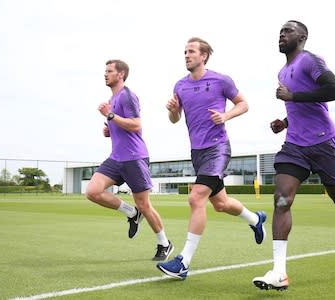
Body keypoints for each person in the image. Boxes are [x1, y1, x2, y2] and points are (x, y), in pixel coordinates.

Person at [252, 21, 335, 291]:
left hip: (324, 143)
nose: (281, 34)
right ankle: (279, 273)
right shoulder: (282, 70)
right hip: (295, 146)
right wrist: (285, 123)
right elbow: (300, 106)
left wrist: (293, 95)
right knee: (281, 200)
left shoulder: (310, 60)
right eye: (280, 31)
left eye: (287, 31)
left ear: (301, 37)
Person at [156, 37, 267, 280]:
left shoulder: (221, 80)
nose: (186, 55)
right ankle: (255, 219)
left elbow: (244, 104)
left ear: (204, 56)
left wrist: (225, 116)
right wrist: (173, 112)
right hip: (197, 152)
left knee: (196, 198)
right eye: (185, 52)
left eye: (191, 51)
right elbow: (175, 120)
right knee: (221, 204)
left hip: (218, 148)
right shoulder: (180, 86)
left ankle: (183, 261)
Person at [86, 59, 174, 261]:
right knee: (92, 191)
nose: (105, 74)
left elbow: (136, 125)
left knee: (144, 204)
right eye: (105, 71)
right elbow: (120, 124)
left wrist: (110, 115)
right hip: (116, 157)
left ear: (121, 75)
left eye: (109, 71)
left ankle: (164, 243)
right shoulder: (113, 99)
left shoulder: (127, 96)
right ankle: (131, 213)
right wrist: (110, 129)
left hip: (134, 157)